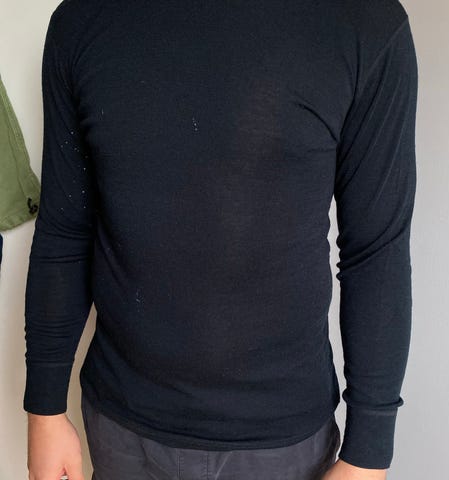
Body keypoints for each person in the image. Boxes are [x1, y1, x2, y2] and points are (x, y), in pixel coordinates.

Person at [23, 0, 418, 479]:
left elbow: (376, 251)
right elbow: (65, 229)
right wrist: (44, 408)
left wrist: (368, 453)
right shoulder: (81, 22)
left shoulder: (366, 22)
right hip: (122, 428)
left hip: (282, 442)